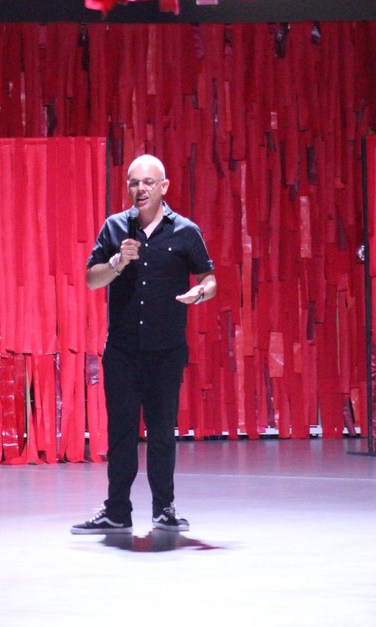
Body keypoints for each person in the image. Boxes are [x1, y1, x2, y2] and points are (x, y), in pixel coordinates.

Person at [72, 154, 216, 534]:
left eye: (148, 182)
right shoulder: (114, 227)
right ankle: (117, 511)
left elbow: (209, 277)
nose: (140, 189)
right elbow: (91, 279)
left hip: (166, 351)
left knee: (162, 432)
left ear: (163, 187)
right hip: (122, 351)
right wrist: (117, 263)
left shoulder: (185, 231)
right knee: (121, 434)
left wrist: (201, 292)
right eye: (134, 183)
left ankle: (164, 509)